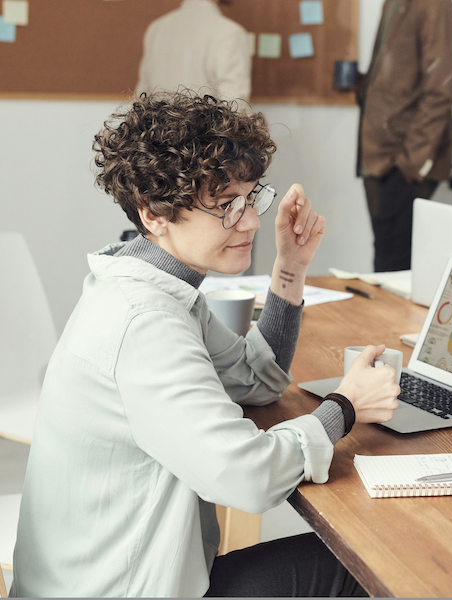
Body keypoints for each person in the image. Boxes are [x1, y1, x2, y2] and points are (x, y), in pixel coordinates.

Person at [11, 92, 400, 597]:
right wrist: (345, 408)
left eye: (251, 197)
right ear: (154, 213)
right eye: (225, 206)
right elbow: (247, 477)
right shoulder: (146, 322)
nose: (253, 221)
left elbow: (254, 379)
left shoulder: (151, 285)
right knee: (368, 563)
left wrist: (290, 267)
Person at [357, 0, 452, 272]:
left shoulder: (434, 6)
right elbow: (398, 77)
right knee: (385, 261)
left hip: (403, 160)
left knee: (394, 266)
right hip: (378, 156)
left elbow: (441, 89)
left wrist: (412, 164)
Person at [136, 0, 251, 103]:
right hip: (206, 126)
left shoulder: (156, 29)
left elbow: (142, 94)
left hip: (158, 126)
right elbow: (235, 103)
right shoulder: (230, 32)